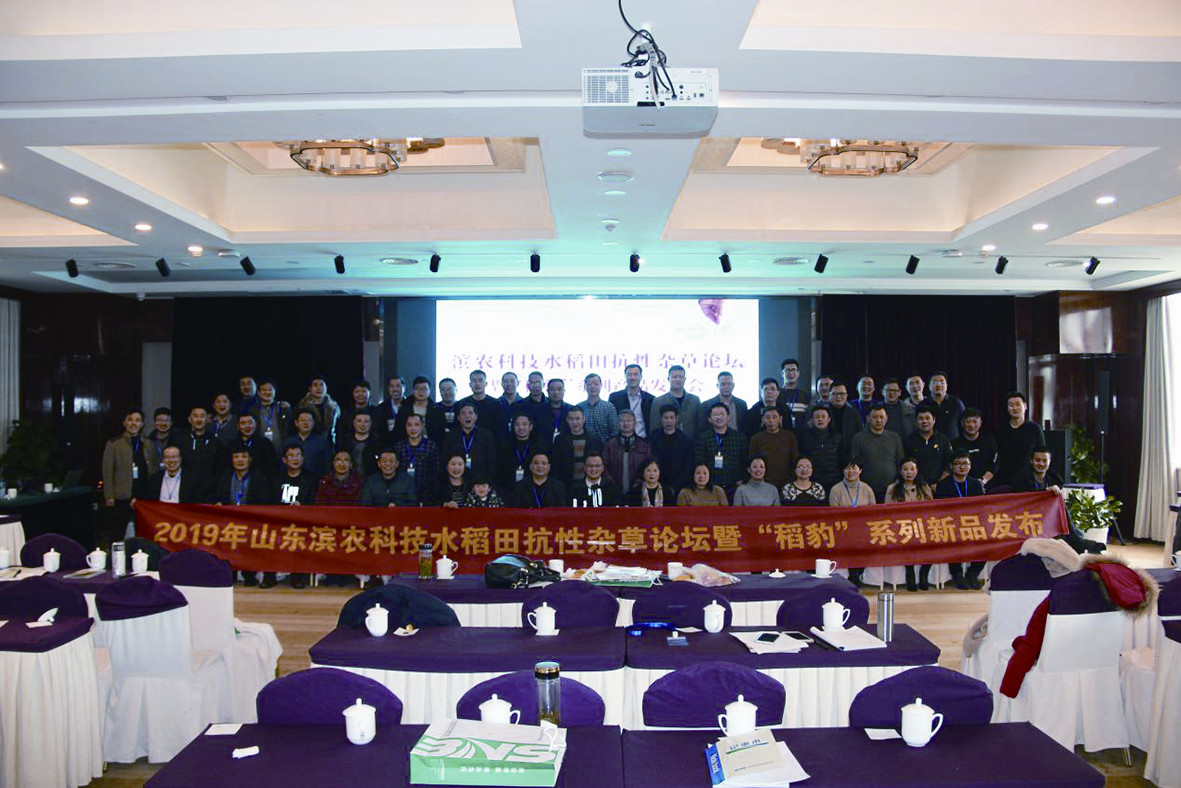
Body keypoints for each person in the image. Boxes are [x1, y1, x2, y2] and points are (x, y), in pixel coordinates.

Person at [265, 443, 318, 589]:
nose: (295, 459)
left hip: (301, 522)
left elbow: (315, 501)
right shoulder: (275, 478)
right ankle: (269, 576)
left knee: (299, 538)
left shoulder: (311, 478)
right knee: (269, 537)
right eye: (291, 456)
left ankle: (297, 576)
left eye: (298, 455)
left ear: (303, 458)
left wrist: (303, 506)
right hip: (278, 521)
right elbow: (269, 500)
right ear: (284, 460)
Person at [101, 409, 157, 546]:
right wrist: (109, 496)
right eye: (130, 420)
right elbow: (107, 472)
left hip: (143, 495)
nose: (133, 424)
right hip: (121, 495)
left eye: (137, 420)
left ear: (142, 424)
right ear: (124, 423)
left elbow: (154, 469)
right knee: (117, 532)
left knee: (143, 532)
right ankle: (114, 557)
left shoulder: (148, 444)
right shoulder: (114, 444)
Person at [935, 450, 988, 589]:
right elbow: (940, 509)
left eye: (965, 463)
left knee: (987, 539)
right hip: (951, 524)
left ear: (970, 466)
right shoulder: (943, 485)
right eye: (958, 463)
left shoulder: (975, 484)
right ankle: (957, 573)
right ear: (951, 466)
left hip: (972, 523)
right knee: (952, 538)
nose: (962, 467)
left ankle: (973, 572)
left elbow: (981, 507)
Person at [885, 457, 934, 592]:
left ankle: (924, 574)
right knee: (906, 539)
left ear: (917, 470)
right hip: (902, 525)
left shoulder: (924, 487)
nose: (909, 472)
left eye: (912, 469)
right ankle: (910, 572)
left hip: (921, 525)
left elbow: (931, 508)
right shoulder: (893, 488)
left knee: (934, 540)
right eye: (905, 469)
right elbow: (887, 510)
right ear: (900, 471)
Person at [829, 459, 875, 585]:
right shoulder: (836, 489)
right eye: (847, 468)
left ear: (860, 470)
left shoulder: (867, 489)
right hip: (843, 529)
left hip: (863, 528)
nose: (850, 471)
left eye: (854, 468)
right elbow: (834, 514)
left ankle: (859, 572)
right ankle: (853, 573)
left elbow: (873, 512)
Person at [849, 404, 905, 502]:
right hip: (866, 489)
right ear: (868, 419)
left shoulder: (894, 437)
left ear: (886, 419)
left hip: (892, 489)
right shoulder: (858, 438)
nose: (878, 420)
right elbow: (854, 463)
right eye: (874, 417)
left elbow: (900, 462)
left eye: (881, 417)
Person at [993, 391, 1045, 490]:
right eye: (1011, 405)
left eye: (1018, 404)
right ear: (1007, 409)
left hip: (1028, 480)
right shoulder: (1000, 429)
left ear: (1025, 406)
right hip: (1004, 479)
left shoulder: (1035, 429)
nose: (1015, 408)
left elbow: (1041, 453)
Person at [694, 402, 749, 496]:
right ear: (709, 419)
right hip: (711, 487)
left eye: (722, 414)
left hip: (735, 486)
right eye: (715, 415)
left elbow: (745, 460)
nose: (719, 417)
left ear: (728, 417)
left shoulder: (739, 437)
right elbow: (699, 461)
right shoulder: (703, 438)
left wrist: (742, 479)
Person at [441, 403, 497, 482]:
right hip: (457, 480)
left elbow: (491, 462)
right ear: (458, 418)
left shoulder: (486, 435)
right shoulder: (451, 436)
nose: (467, 416)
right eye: (463, 413)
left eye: (470, 413)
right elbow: (445, 459)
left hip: (480, 481)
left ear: (476, 417)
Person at [392, 412, 441, 505]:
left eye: (416, 425)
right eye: (409, 425)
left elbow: (436, 472)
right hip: (403, 493)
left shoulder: (431, 446)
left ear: (422, 426)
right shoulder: (398, 447)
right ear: (405, 427)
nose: (413, 428)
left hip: (426, 494)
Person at [179, 404, 225, 501]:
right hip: (185, 493)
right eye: (195, 416)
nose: (199, 420)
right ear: (189, 419)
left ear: (207, 419)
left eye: (202, 416)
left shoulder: (216, 443)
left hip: (209, 495)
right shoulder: (181, 442)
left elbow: (220, 471)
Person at [747, 408, 798, 492]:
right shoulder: (756, 439)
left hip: (787, 482)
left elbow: (795, 459)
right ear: (763, 420)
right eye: (767, 417)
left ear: (780, 419)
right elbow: (752, 461)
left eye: (774, 417)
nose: (771, 420)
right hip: (763, 482)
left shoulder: (790, 437)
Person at [602, 410, 651, 495]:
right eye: (622, 421)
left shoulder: (644, 445)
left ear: (635, 423)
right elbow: (603, 466)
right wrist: (611, 483)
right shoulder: (609, 445)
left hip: (638, 491)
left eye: (629, 420)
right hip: (613, 491)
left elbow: (649, 466)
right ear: (618, 423)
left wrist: (639, 482)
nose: (625, 424)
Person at [551, 408, 603, 487]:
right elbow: (555, 464)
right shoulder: (560, 439)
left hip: (589, 483)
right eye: (571, 419)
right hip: (565, 483)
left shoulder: (594, 439)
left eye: (577, 418)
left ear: (583, 419)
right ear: (567, 420)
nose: (574, 422)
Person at [649, 365, 702, 442]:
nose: (678, 379)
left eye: (681, 377)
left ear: (685, 379)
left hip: (691, 444)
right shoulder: (658, 401)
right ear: (668, 379)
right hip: (666, 444)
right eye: (674, 377)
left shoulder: (695, 400)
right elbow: (655, 426)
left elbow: (700, 425)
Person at [904, 404, 951, 489]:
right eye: (921, 419)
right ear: (916, 421)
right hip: (917, 487)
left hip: (941, 487)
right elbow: (906, 466)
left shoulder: (943, 440)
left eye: (927, 418)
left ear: (934, 420)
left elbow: (948, 465)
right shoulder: (909, 441)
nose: (924, 421)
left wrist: (939, 484)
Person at [649, 403, 694, 492]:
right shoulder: (654, 437)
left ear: (676, 419)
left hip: (679, 485)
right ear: (661, 419)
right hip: (657, 482)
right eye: (666, 418)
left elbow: (688, 465)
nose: (668, 421)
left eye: (671, 417)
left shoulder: (685, 439)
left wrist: (676, 486)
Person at [392, 376, 447, 445]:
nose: (421, 392)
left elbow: (442, 434)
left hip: (432, 448)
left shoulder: (437, 410)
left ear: (429, 390)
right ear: (413, 390)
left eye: (424, 389)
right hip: (408, 448)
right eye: (417, 388)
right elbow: (398, 433)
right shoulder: (404, 409)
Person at [499, 412, 546, 490]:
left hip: (532, 486)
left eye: (524, 424)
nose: (521, 427)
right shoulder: (505, 445)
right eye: (517, 425)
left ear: (530, 427)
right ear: (513, 427)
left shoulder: (540, 445)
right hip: (508, 485)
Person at [798, 406, 842, 490]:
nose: (820, 419)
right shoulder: (805, 438)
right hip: (812, 482)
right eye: (817, 417)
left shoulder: (837, 437)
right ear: (812, 420)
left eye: (823, 416)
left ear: (829, 419)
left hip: (834, 482)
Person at [952, 408, 997, 487]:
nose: (972, 425)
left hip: (987, 485)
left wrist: (983, 481)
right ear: (962, 423)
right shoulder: (955, 444)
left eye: (975, 422)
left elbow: (994, 465)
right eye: (968, 422)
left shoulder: (989, 441)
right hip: (962, 486)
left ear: (980, 423)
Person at [460, 369, 508, 441]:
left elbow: (501, 429)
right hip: (467, 442)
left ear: (486, 383)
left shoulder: (496, 404)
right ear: (470, 385)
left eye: (480, 380)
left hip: (491, 443)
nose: (477, 384)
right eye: (474, 381)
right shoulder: (462, 403)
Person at [608, 363, 655, 438]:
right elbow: (611, 422)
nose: (632, 378)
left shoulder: (650, 399)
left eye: (635, 375)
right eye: (629, 375)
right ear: (625, 377)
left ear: (641, 377)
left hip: (644, 440)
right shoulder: (614, 398)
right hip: (620, 441)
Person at [287, 407, 332, 480]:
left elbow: (327, 465)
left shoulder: (322, 442)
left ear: (314, 423)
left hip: (317, 480)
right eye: (303, 420)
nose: (306, 423)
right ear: (296, 423)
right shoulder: (289, 442)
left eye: (309, 420)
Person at [336, 411, 383, 478]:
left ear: (371, 423)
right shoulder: (345, 441)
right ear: (354, 423)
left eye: (366, 421)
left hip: (371, 479)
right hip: (348, 480)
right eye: (359, 421)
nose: (362, 424)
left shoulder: (378, 442)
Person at [233, 412, 280, 481]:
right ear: (238, 426)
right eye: (243, 423)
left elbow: (272, 468)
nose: (247, 426)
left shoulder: (265, 443)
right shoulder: (232, 444)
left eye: (250, 423)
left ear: (256, 424)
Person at [826, 381, 862, 462]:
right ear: (829, 395)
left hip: (849, 457)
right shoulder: (823, 412)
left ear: (846, 396)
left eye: (842, 394)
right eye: (835, 394)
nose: (839, 396)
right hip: (827, 457)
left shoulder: (854, 413)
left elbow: (859, 435)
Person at [297, 374, 339, 443]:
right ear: (310, 389)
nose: (318, 388)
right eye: (315, 385)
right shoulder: (302, 406)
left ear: (326, 388)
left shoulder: (334, 408)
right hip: (307, 443)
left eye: (321, 385)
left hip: (329, 444)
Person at [252, 378, 293, 448]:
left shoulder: (283, 408)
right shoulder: (253, 411)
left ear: (274, 391)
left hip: (283, 448)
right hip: (260, 449)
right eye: (264, 390)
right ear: (258, 393)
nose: (267, 392)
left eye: (270, 390)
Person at [577, 373, 618, 443]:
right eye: (589, 384)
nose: (592, 386)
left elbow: (614, 431)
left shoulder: (609, 407)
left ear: (601, 385)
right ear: (585, 386)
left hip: (605, 446)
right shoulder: (579, 407)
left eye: (596, 384)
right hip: (583, 446)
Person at [926, 371, 965, 440]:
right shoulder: (924, 404)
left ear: (946, 385)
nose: (938, 385)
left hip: (953, 443)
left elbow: (964, 424)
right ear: (929, 386)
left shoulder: (956, 403)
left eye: (941, 382)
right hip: (930, 443)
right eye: (934, 382)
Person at [776, 358, 811, 433]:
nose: (791, 373)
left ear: (798, 373)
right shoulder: (777, 394)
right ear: (782, 374)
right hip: (782, 433)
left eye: (793, 370)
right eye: (787, 370)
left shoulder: (804, 394)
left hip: (801, 434)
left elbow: (808, 417)